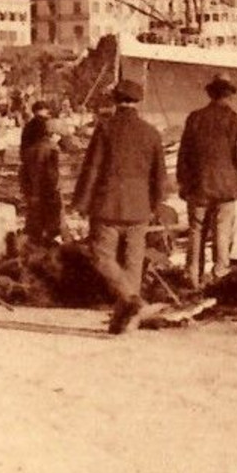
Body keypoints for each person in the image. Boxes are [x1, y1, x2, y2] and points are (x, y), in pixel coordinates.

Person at [73, 79, 167, 335]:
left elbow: (92, 169)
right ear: (139, 102)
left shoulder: (105, 128)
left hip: (108, 204)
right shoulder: (152, 132)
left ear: (115, 100)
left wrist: (81, 202)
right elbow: (160, 175)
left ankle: (131, 302)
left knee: (101, 256)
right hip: (139, 207)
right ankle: (126, 322)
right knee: (133, 264)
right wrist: (156, 204)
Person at [177, 74, 237, 288]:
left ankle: (193, 276)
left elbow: (184, 154)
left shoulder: (195, 118)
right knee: (222, 232)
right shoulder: (236, 119)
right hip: (226, 186)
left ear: (210, 94)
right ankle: (219, 276)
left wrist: (183, 182)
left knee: (196, 231)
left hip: (198, 185)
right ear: (229, 96)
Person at [20, 116, 65, 247]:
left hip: (33, 194)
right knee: (52, 228)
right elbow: (52, 175)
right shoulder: (51, 149)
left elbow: (23, 174)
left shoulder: (29, 150)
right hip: (48, 193)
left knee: (34, 227)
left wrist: (29, 191)